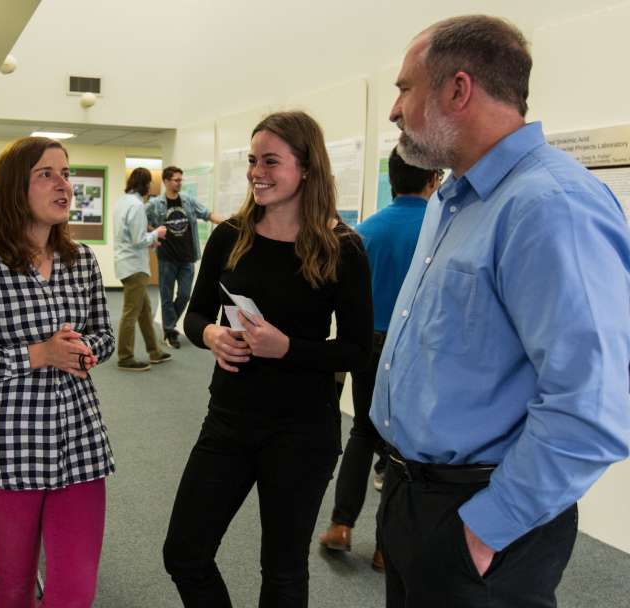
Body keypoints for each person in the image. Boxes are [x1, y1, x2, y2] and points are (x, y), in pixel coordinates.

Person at [373, 15, 630, 608]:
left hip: (481, 518)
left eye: (404, 88)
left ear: (458, 89)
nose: (394, 110)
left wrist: (485, 530)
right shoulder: (452, 201)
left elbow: (591, 408)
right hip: (414, 498)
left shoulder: (551, 206)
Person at [163, 111, 373, 606]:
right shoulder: (230, 236)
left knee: (282, 573)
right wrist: (212, 334)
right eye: (254, 160)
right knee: (184, 553)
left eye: (271, 161)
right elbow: (193, 317)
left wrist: (288, 349)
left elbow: (358, 351)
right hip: (229, 422)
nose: (258, 171)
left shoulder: (343, 249)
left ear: (305, 168)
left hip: (302, 431)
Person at [0, 136, 115, 607]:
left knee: (75, 590)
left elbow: (104, 334)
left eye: (66, 173)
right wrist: (38, 354)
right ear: (16, 188)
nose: (64, 185)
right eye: (47, 174)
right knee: (15, 585)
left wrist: (83, 350)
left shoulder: (82, 263)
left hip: (78, 441)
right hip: (7, 447)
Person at [318, 148, 439, 571]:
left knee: (363, 432)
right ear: (434, 180)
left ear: (393, 180)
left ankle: (341, 525)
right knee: (403, 446)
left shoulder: (365, 230)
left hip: (367, 343)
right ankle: (388, 546)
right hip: (415, 347)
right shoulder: (439, 227)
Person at [146, 166, 222, 349]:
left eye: (181, 180)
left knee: (185, 295)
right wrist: (153, 232)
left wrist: (229, 223)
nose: (180, 183)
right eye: (176, 180)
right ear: (166, 181)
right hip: (166, 258)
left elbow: (207, 214)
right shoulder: (156, 204)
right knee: (166, 296)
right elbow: (140, 221)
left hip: (187, 257)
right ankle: (170, 332)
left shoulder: (187, 201)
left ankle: (169, 325)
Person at [114, 167, 171, 371]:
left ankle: (154, 351)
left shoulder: (122, 202)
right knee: (131, 311)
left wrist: (150, 238)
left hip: (125, 262)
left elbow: (129, 235)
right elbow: (139, 240)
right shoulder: (137, 205)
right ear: (146, 184)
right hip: (135, 266)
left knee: (144, 310)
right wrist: (157, 234)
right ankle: (125, 356)